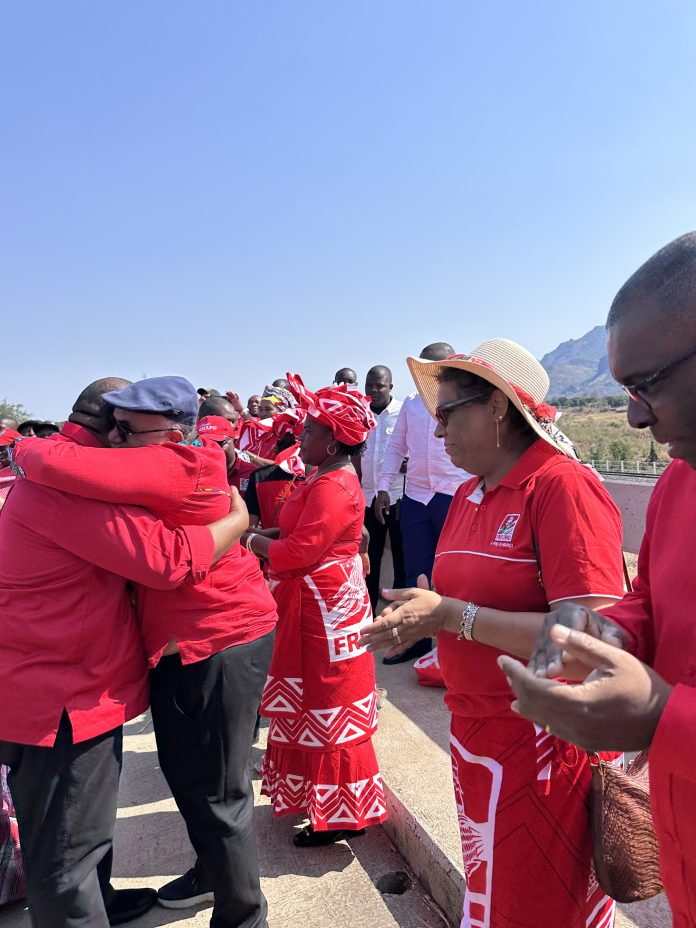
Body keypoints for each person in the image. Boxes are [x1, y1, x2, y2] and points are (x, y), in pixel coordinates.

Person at [360, 340, 625, 928]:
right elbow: (466, 601)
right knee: (497, 899)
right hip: (480, 742)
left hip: (545, 751)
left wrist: (452, 616)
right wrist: (422, 616)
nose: (437, 429)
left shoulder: (561, 488)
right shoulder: (467, 493)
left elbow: (595, 646)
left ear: (499, 407)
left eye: (449, 412)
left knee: (537, 909)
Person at [13, 376, 278, 927]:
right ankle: (211, 876)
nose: (118, 440)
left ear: (172, 433)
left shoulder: (175, 462)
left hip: (218, 638)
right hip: (153, 657)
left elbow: (167, 561)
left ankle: (243, 915)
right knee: (190, 784)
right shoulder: (122, 468)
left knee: (217, 794)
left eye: (129, 428)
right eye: (115, 426)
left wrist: (27, 449)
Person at [500, 232, 696, 928]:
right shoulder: (678, 482)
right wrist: (604, 632)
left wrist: (660, 718)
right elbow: (653, 599)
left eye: (647, 384)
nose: (636, 415)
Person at [241, 374, 388, 847]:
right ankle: (322, 801)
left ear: (333, 441)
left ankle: (345, 815)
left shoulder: (334, 486)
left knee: (329, 701)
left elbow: (298, 552)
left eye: (310, 431)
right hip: (317, 603)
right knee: (314, 701)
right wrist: (263, 536)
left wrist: (247, 540)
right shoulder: (325, 477)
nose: (300, 437)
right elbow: (297, 536)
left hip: (325, 610)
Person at [374, 341, 468, 664]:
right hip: (416, 497)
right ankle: (416, 640)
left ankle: (454, 647)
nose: (425, 375)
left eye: (433, 369)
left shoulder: (464, 402)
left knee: (455, 573)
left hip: (453, 496)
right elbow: (396, 448)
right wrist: (383, 488)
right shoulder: (412, 406)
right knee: (416, 571)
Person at [361, 365, 405, 613]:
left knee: (401, 557)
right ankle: (367, 614)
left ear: (391, 387)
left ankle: (398, 613)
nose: (374, 390)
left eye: (380, 386)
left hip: (398, 497)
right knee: (369, 558)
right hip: (367, 497)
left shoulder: (403, 412)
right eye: (370, 386)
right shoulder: (360, 414)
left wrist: (409, 462)